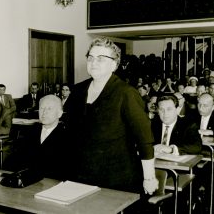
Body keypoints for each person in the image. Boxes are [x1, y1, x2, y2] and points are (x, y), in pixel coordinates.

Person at [67, 38, 158, 198]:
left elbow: (144, 139)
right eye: (90, 57)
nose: (94, 62)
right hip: (81, 175)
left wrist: (149, 177)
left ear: (114, 64)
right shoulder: (78, 91)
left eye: (101, 58)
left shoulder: (126, 93)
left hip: (118, 179)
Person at [9, 95, 70, 181]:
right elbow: (18, 158)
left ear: (59, 113)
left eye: (49, 109)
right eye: (42, 108)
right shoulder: (30, 132)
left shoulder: (68, 137)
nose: (44, 112)